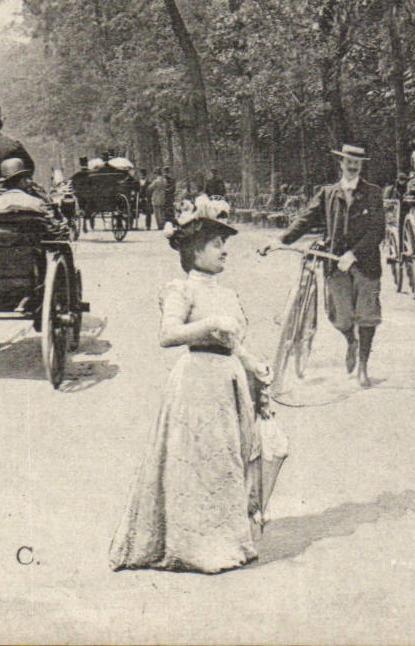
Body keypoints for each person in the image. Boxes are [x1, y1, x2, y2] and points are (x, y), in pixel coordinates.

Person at [110, 206, 286, 573]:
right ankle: (196, 547)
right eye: (217, 245)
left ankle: (228, 541)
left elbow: (231, 342)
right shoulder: (181, 289)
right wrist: (209, 323)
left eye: (224, 245)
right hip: (196, 383)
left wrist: (253, 364)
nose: (224, 251)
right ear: (195, 252)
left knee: (227, 460)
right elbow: (168, 334)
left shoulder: (228, 294)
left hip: (229, 381)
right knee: (199, 461)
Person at [271, 143, 384, 387]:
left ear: (361, 166)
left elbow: (377, 230)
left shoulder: (373, 193)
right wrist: (281, 239)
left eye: (356, 163)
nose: (352, 166)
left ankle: (362, 366)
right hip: (334, 263)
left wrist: (354, 254)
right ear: (341, 164)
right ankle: (351, 341)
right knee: (339, 317)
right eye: (348, 162)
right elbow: (306, 219)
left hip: (366, 264)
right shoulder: (328, 193)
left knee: (367, 315)